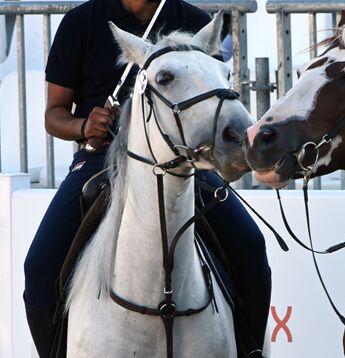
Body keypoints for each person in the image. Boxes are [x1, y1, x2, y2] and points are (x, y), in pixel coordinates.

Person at [23, 0, 271, 357]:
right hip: (100, 161)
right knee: (40, 267)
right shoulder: (81, 22)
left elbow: (210, 94)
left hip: (188, 161)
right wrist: (82, 125)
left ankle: (251, 350)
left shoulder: (193, 20)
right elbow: (53, 114)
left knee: (250, 246)